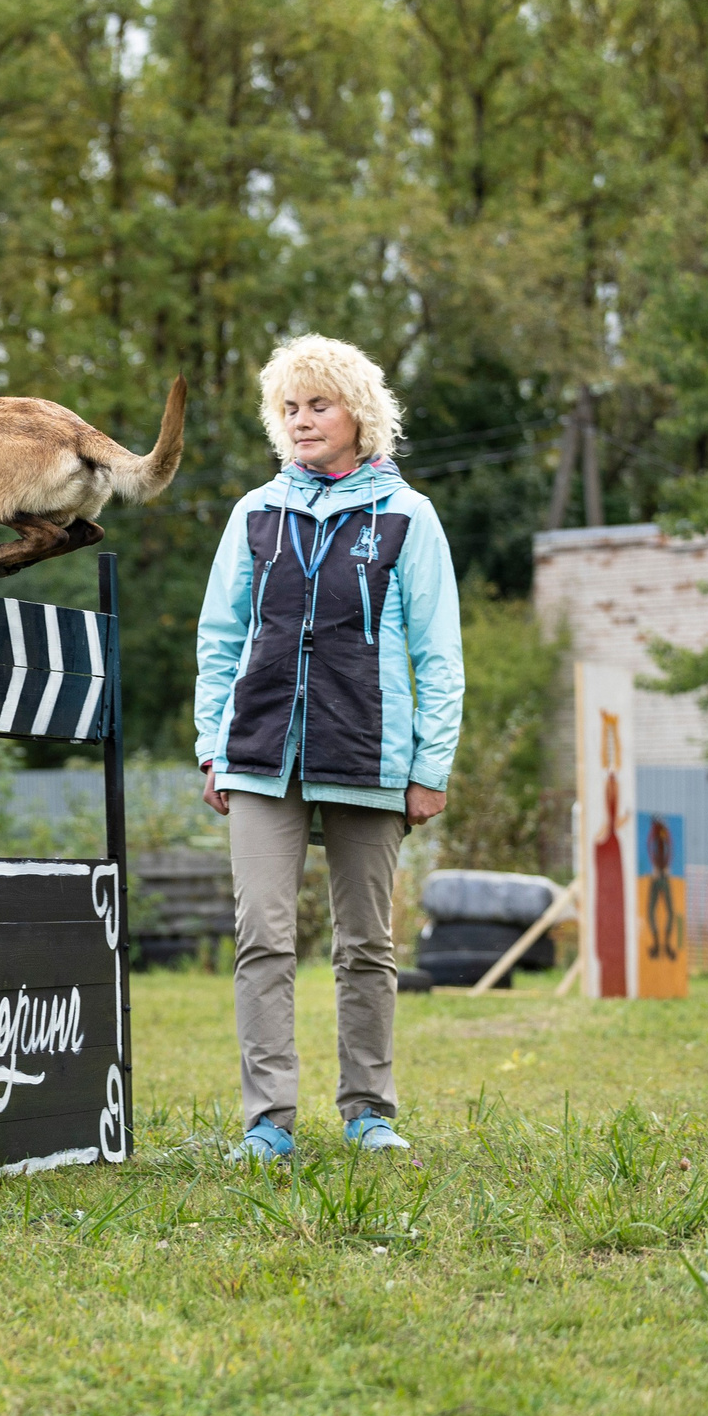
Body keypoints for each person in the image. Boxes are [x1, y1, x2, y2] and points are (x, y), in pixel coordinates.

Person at [191, 334, 464, 1162]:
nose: (302, 421)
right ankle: (269, 1121)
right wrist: (213, 746)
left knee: (366, 945)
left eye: (319, 404)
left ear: (359, 414)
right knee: (263, 937)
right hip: (261, 750)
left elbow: (437, 653)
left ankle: (368, 1112)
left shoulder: (407, 517)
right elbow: (219, 639)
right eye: (290, 408)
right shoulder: (255, 515)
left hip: (371, 754)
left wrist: (431, 766)